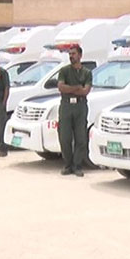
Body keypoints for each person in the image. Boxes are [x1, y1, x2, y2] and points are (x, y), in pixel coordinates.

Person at [57, 45, 92, 177]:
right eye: (70, 54)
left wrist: (71, 89)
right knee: (65, 137)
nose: (71, 56)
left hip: (80, 107)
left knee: (81, 137)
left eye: (73, 53)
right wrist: (76, 88)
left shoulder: (87, 73)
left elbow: (85, 91)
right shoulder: (64, 71)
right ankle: (68, 165)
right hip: (66, 106)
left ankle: (77, 166)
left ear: (80, 55)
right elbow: (61, 87)